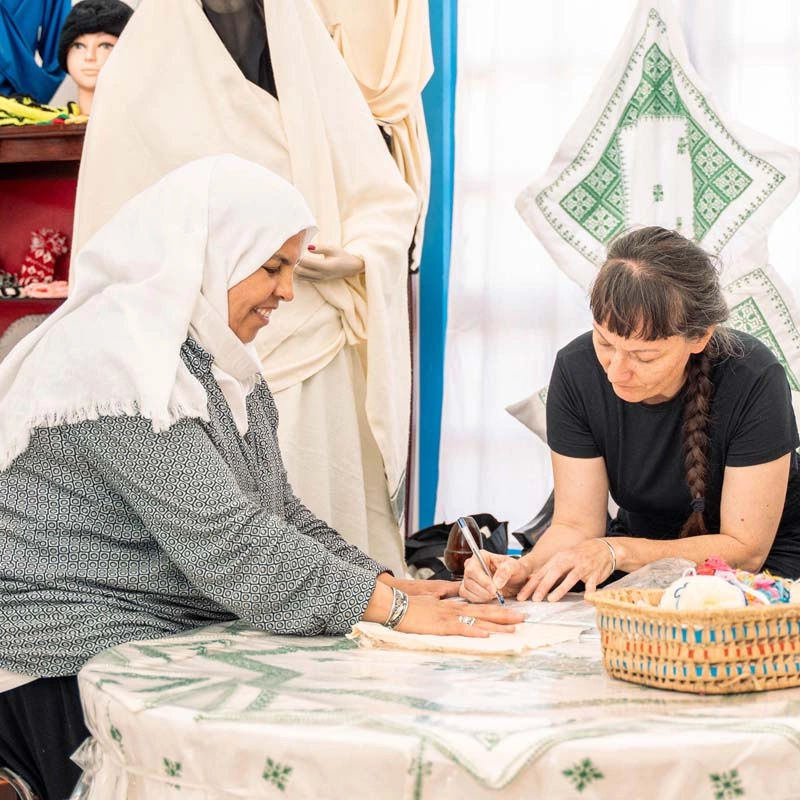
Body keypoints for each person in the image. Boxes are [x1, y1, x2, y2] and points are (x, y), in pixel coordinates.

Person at [0, 156, 520, 800]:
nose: (286, 292)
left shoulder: (213, 366)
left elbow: (276, 515)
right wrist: (388, 610)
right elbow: (234, 545)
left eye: (291, 270)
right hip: (65, 664)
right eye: (271, 267)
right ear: (206, 251)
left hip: (157, 637)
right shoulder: (116, 364)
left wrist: (387, 584)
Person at [70, 0, 417, 569]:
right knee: (218, 546)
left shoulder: (310, 70)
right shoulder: (137, 76)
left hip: (312, 333)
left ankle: (351, 616)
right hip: (189, 361)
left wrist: (352, 257)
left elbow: (382, 199)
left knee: (318, 518)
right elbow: (116, 232)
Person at [461, 226, 800, 604]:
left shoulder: (753, 376)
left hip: (782, 557)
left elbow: (746, 551)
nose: (616, 371)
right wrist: (522, 568)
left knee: (713, 608)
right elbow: (576, 526)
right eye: (605, 343)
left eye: (644, 356)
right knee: (582, 606)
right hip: (641, 556)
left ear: (699, 337)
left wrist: (615, 551)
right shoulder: (576, 369)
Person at [57, 0, 132, 116]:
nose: (89, 56)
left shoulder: (146, 127)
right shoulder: (47, 125)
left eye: (105, 46)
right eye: (79, 46)